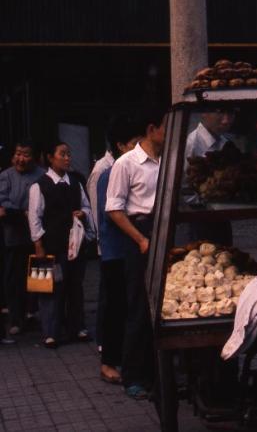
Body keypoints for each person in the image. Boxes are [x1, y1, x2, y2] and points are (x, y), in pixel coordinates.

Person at [106, 107, 166, 400]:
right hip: (138, 235)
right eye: (167, 126)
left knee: (166, 307)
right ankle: (134, 376)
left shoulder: (169, 160)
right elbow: (114, 210)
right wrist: (141, 240)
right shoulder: (126, 163)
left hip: (166, 232)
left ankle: (159, 375)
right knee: (139, 307)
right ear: (152, 128)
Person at [28, 141, 95, 348]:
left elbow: (86, 205)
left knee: (75, 286)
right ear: (50, 157)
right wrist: (38, 244)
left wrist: (83, 213)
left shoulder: (75, 182)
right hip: (51, 246)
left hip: (75, 246)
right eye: (62, 154)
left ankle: (77, 327)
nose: (67, 158)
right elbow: (34, 217)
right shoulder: (39, 185)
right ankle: (51, 332)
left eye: (69, 154)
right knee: (50, 288)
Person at [96, 116, 142, 384]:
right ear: (121, 145)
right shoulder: (109, 174)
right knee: (115, 309)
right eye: (135, 143)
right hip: (116, 252)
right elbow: (112, 214)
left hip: (129, 250)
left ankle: (127, 357)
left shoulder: (127, 169)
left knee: (129, 307)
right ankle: (108, 363)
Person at [0, 141, 45, 337]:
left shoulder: (42, 175)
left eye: (26, 154)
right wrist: (22, 212)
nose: (21, 158)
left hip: (39, 237)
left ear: (33, 157)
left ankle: (36, 315)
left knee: (40, 276)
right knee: (15, 279)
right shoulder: (5, 176)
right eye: (18, 153)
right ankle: (17, 318)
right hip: (14, 237)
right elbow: (2, 204)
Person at [183, 109, 237, 245]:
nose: (226, 120)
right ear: (204, 113)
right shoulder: (190, 144)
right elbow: (181, 187)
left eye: (230, 113)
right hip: (199, 219)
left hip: (222, 216)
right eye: (219, 113)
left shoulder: (225, 143)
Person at [87, 139, 116, 352]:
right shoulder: (101, 169)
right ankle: (103, 339)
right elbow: (97, 210)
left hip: (113, 241)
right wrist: (101, 239)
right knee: (107, 292)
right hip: (106, 240)